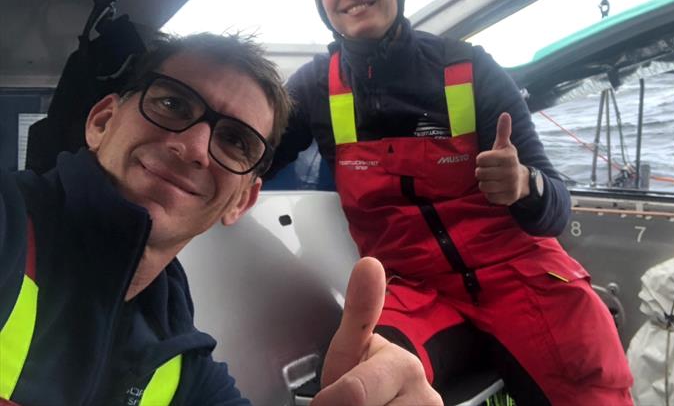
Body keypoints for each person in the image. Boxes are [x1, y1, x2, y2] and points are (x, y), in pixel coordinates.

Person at [268, 0, 634, 405]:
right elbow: (254, 154)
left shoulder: (470, 69)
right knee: (357, 377)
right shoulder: (313, 87)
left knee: (594, 386)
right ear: (321, 1)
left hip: (522, 281)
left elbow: (558, 209)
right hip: (414, 294)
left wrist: (525, 184)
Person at [0, 32, 441, 406]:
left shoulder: (185, 366)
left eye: (235, 141)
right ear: (101, 122)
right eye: (172, 103)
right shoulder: (10, 225)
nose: (192, 146)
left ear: (242, 202)